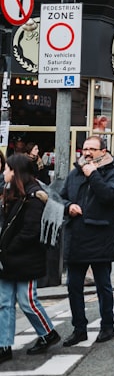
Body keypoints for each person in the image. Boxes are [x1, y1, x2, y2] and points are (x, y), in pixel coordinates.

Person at [60, 135, 114, 347]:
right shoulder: (74, 173)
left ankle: (107, 326)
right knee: (73, 287)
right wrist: (68, 206)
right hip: (76, 238)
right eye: (85, 148)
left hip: (99, 237)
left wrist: (94, 175)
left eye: (92, 149)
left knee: (103, 286)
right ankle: (79, 328)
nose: (86, 153)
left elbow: (109, 196)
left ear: (103, 152)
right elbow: (60, 197)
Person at [0, 153, 61, 364]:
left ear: (16, 172)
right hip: (8, 258)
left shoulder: (34, 196)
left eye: (7, 169)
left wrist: (6, 249)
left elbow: (30, 231)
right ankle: (3, 345)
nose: (4, 172)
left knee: (27, 301)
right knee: (4, 302)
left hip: (25, 258)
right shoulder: (11, 192)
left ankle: (48, 333)